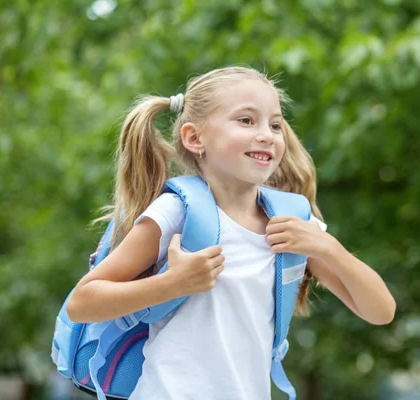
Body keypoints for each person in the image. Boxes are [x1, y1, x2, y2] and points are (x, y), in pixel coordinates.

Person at [65, 66, 396, 399]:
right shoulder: (175, 212)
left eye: (276, 124)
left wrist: (329, 248)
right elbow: (81, 303)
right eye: (246, 121)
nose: (267, 134)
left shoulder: (293, 224)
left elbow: (380, 311)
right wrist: (172, 284)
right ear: (195, 138)